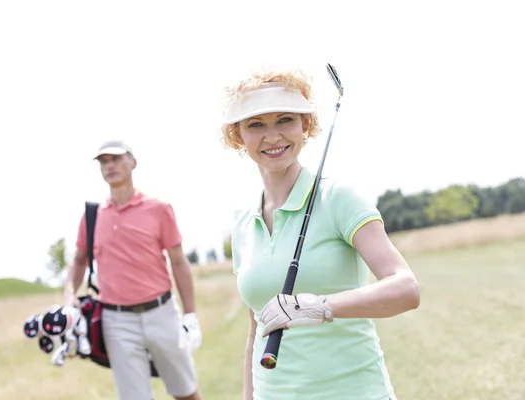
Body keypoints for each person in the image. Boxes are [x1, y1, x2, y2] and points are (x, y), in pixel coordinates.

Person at [220, 68, 421, 400]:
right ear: (238, 135)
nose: (272, 137)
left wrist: (320, 306)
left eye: (285, 120)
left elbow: (406, 288)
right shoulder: (243, 223)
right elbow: (257, 326)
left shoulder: (338, 198)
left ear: (306, 125)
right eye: (256, 124)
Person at [63, 139, 204, 400]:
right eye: (104, 161)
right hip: (116, 321)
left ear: (133, 162)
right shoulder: (92, 216)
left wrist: (191, 315)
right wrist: (70, 293)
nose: (110, 165)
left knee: (185, 392)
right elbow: (79, 259)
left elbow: (179, 262)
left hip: (162, 314)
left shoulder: (159, 209)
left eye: (116, 159)